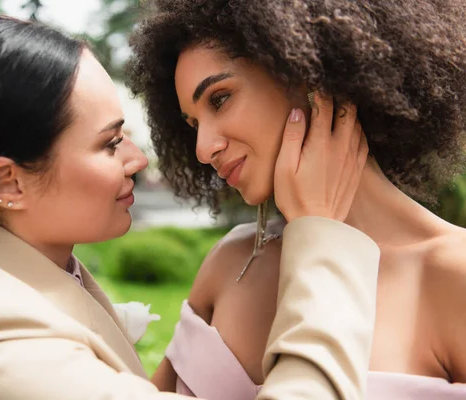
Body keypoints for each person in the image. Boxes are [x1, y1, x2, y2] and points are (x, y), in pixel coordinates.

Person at [0, 15, 380, 400]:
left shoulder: (28, 285)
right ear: (9, 183)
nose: (139, 159)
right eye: (110, 143)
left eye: (222, 100)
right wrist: (321, 239)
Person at [126, 0, 466, 399]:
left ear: (308, 72)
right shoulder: (232, 262)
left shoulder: (452, 275)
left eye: (220, 99)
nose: (203, 149)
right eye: (194, 124)